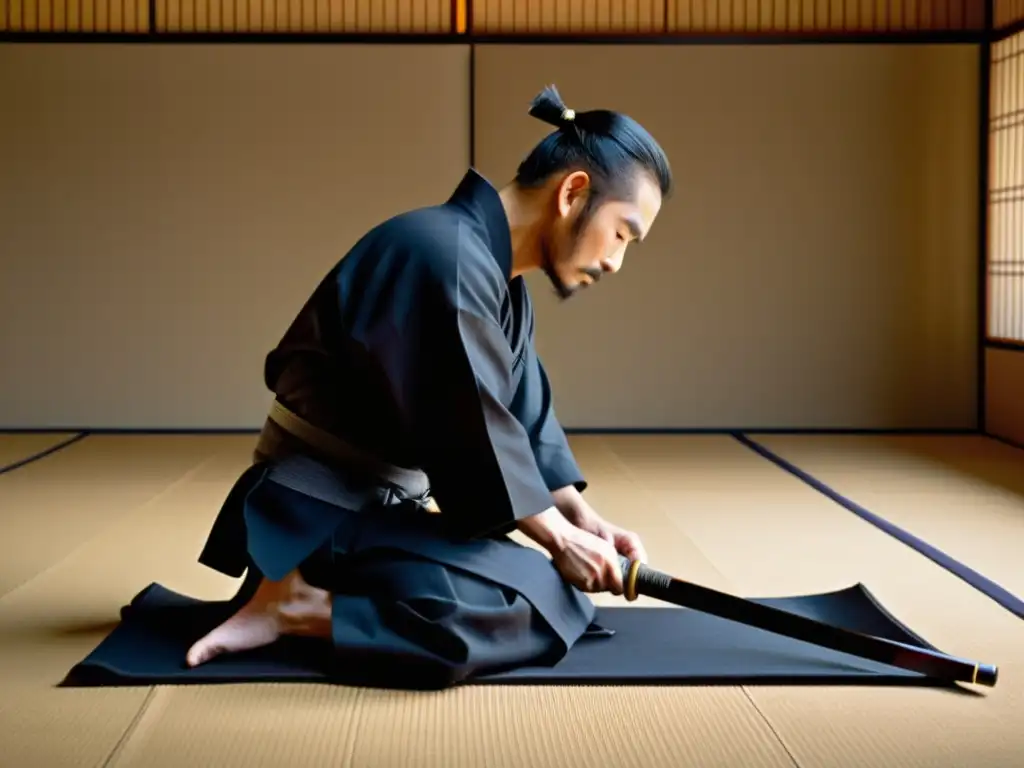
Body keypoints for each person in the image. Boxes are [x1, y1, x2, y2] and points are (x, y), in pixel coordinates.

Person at [184, 85, 673, 685]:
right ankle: (299, 606)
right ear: (574, 193)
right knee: (527, 601)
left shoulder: (495, 280)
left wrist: (582, 520)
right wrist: (559, 540)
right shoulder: (438, 255)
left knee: (549, 595)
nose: (616, 261)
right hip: (320, 512)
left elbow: (520, 419)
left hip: (376, 514)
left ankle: (308, 603)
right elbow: (472, 431)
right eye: (622, 234)